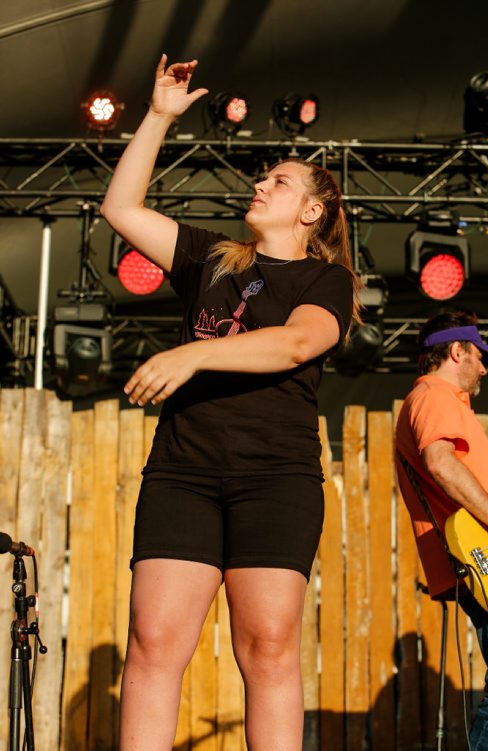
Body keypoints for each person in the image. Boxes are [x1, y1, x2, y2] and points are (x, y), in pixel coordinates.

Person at [101, 54, 359, 751]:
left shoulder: (327, 280)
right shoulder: (214, 257)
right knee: (153, 643)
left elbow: (295, 345)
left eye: (279, 181)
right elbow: (119, 208)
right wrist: (158, 116)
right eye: (262, 175)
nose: (260, 183)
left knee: (268, 647)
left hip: (275, 478)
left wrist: (194, 352)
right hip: (184, 471)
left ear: (312, 210)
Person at [395, 310, 488, 750]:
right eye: (479, 356)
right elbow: (440, 463)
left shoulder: (442, 402)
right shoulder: (433, 395)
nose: (484, 367)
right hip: (486, 557)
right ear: (457, 351)